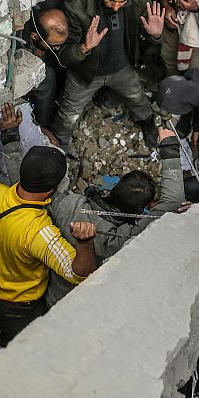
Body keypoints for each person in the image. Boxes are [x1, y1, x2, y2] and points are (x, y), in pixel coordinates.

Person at [0, 142, 98, 345]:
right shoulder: (39, 232)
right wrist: (85, 243)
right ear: (53, 189)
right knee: (20, 345)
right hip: (18, 307)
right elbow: (77, 274)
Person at [45, 126, 185, 306]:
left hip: (54, 297)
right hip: (83, 308)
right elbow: (173, 202)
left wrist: (169, 146)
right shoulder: (120, 241)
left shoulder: (69, 204)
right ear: (139, 211)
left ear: (113, 189)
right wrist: (170, 150)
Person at [52, 0, 165, 148]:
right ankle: (57, 148)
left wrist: (156, 34)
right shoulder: (75, 6)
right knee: (67, 116)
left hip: (122, 67)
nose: (116, 6)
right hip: (85, 73)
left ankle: (147, 123)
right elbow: (63, 56)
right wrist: (84, 47)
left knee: (138, 100)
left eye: (122, 1)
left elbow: (148, 30)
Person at [20, 0, 84, 143]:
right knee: (47, 78)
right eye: (53, 45)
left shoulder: (51, 4)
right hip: (33, 61)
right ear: (35, 37)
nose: (57, 49)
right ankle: (43, 124)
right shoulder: (19, 37)